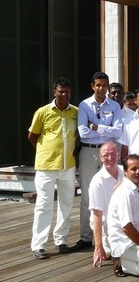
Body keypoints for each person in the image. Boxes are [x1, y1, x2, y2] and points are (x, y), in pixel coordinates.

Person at [29, 77, 78, 259]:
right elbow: (32, 136)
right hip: (46, 166)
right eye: (60, 91)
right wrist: (45, 151)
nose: (64, 94)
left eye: (67, 91)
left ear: (70, 93)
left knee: (66, 204)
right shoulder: (43, 112)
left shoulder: (75, 112)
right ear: (54, 92)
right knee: (44, 205)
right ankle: (39, 245)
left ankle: (61, 240)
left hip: (68, 166)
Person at [75, 71, 123, 252]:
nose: (102, 89)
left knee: (111, 194)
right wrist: (106, 130)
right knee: (87, 196)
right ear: (93, 86)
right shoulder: (84, 105)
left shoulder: (115, 106)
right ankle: (87, 237)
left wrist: (96, 126)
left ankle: (107, 238)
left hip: (109, 153)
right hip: (88, 151)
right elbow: (83, 133)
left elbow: (117, 132)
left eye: (105, 85)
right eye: (98, 85)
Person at [89, 142, 124, 267]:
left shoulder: (125, 172)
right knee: (113, 253)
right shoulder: (97, 182)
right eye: (106, 155)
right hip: (108, 225)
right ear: (100, 157)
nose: (110, 158)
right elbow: (96, 215)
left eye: (113, 154)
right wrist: (98, 247)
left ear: (118, 155)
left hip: (125, 221)